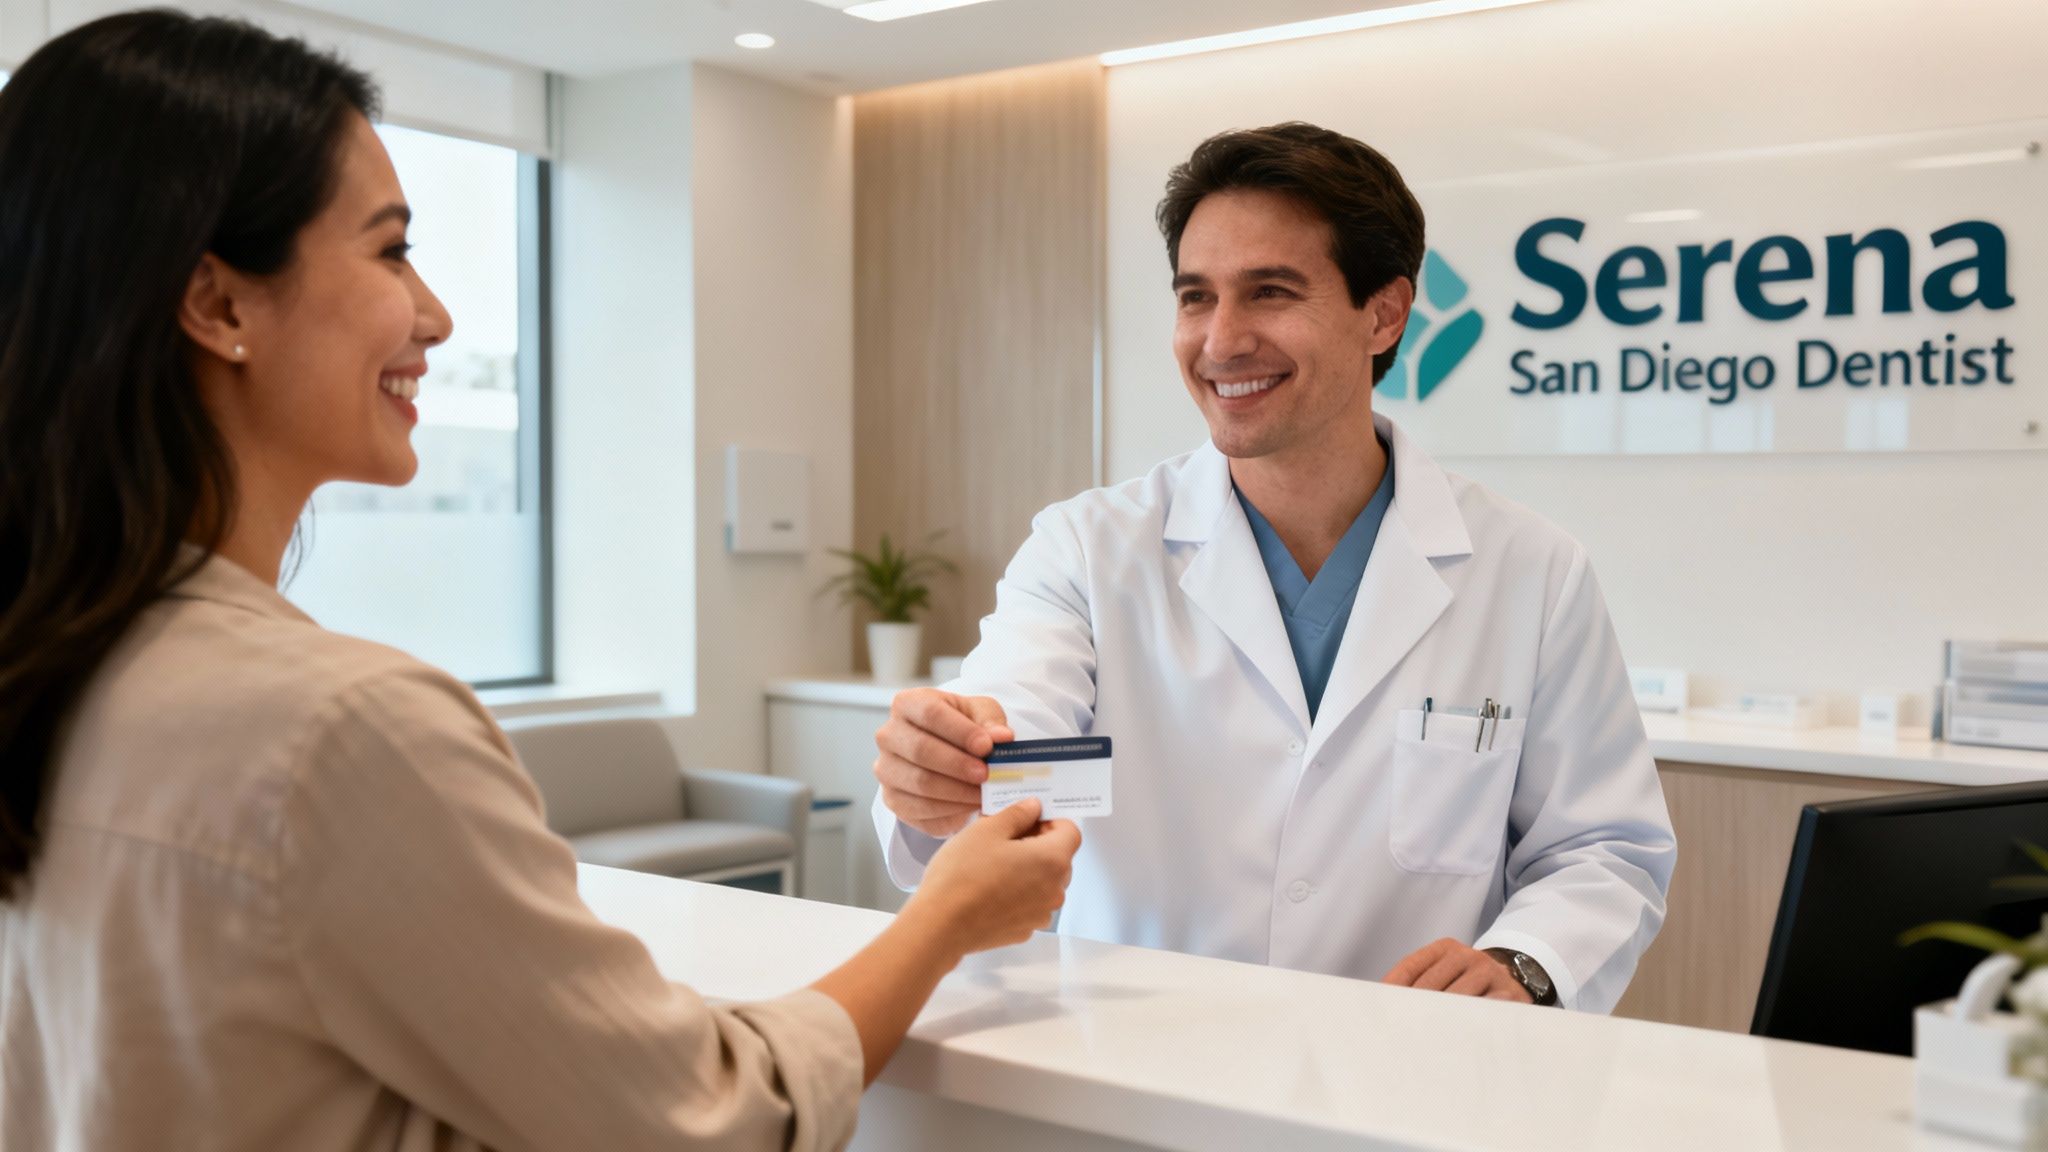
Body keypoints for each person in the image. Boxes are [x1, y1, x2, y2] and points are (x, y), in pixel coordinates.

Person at [0, 13, 1080, 1152]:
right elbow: (709, 1117)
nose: (436, 314)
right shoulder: (338, 729)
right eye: (388, 249)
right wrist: (947, 917)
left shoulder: (57, 666)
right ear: (219, 305)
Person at [872, 122, 1675, 1013]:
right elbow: (1010, 728)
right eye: (1195, 297)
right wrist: (946, 767)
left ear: (1385, 312)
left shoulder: (1532, 571)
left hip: (1404, 1071)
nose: (1221, 340)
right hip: (1134, 1063)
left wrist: (1527, 962)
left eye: (1270, 292)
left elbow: (1604, 847)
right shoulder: (1087, 550)